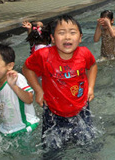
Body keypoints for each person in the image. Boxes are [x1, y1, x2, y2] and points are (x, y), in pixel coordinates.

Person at [22, 14, 98, 149]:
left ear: (80, 38)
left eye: (72, 33)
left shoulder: (84, 53)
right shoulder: (43, 55)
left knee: (88, 145)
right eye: (61, 33)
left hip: (81, 109)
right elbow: (27, 69)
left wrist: (91, 87)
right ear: (52, 38)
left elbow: (92, 66)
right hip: (53, 112)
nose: (67, 37)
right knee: (51, 149)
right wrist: (38, 91)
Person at [0, 44, 39, 137]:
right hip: (9, 128)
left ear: (9, 66)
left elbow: (29, 98)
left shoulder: (16, 78)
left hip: (24, 127)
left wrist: (13, 86)